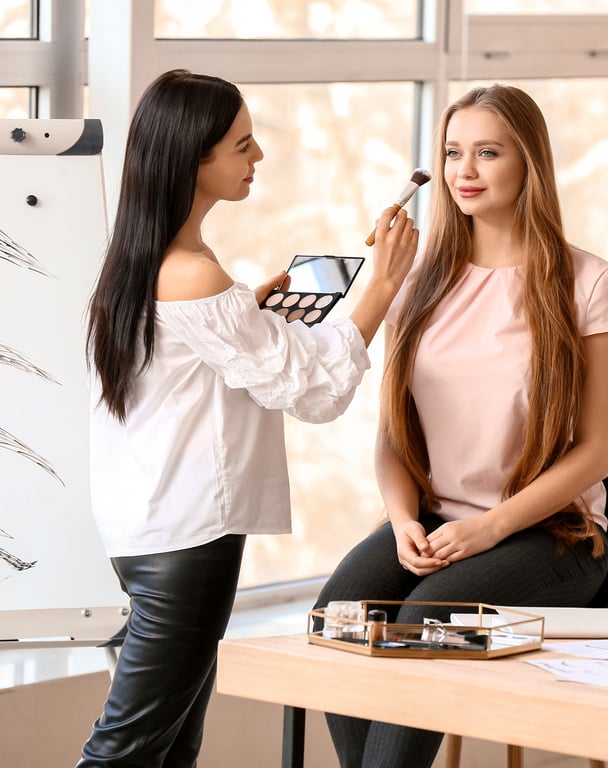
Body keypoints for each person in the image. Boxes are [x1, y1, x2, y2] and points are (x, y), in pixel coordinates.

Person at [79, 69, 418, 767]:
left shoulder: (149, 261)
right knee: (127, 751)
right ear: (192, 157)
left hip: (150, 529)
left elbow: (207, 371)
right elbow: (315, 393)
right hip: (187, 541)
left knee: (170, 747)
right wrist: (382, 286)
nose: (258, 157)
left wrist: (247, 319)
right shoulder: (194, 275)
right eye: (243, 144)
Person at [313, 83, 608, 768]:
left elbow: (596, 453)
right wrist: (402, 519)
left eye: (487, 153)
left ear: (529, 165)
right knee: (341, 613)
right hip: (432, 519)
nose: (465, 171)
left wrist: (487, 527)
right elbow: (393, 436)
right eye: (453, 153)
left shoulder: (590, 282)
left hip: (552, 535)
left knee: (422, 621)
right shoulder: (419, 280)